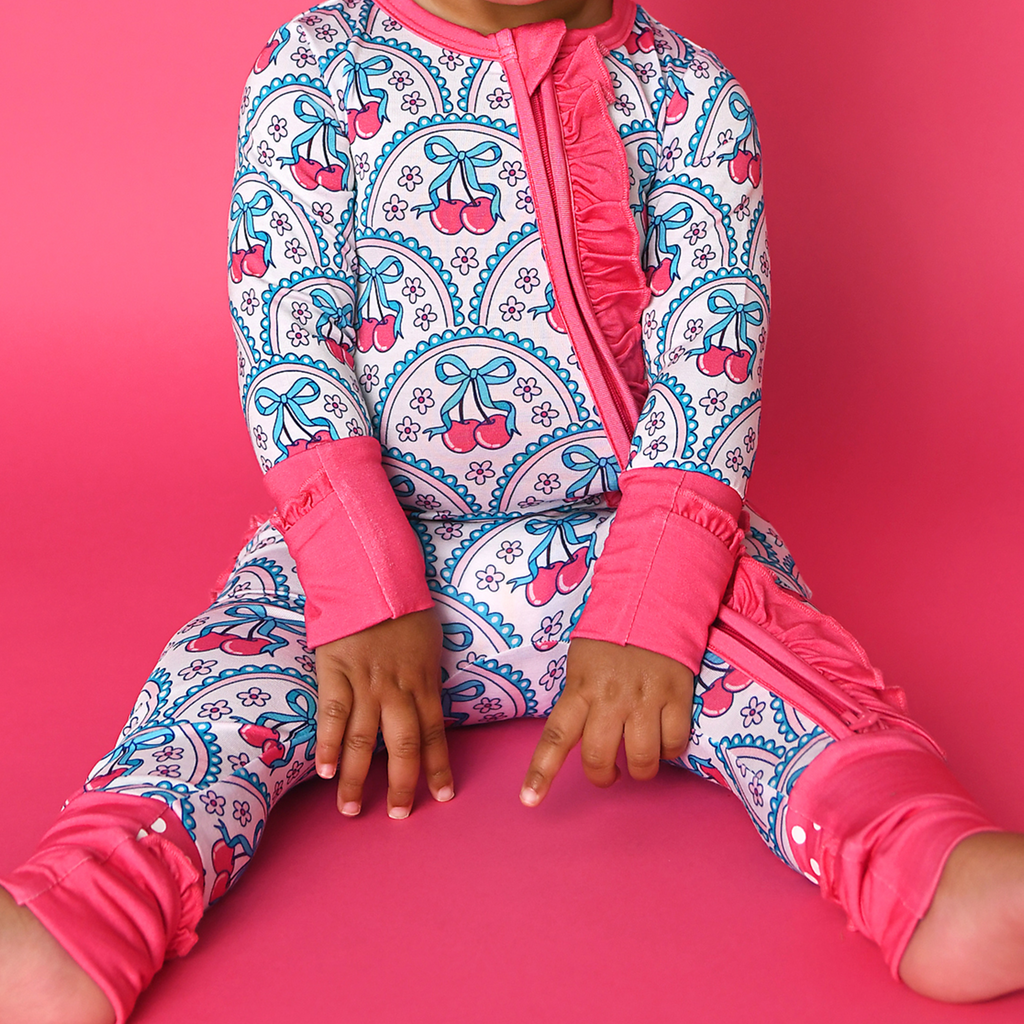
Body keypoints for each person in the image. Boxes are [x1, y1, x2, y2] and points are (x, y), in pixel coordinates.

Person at [3, 0, 1024, 1020]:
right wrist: (366, 588)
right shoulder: (317, 65)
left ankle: (919, 857)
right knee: (218, 693)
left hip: (626, 546)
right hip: (363, 557)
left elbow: (709, 373)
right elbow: (288, 336)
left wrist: (648, 608)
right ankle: (88, 906)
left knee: (783, 668)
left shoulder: (691, 98)